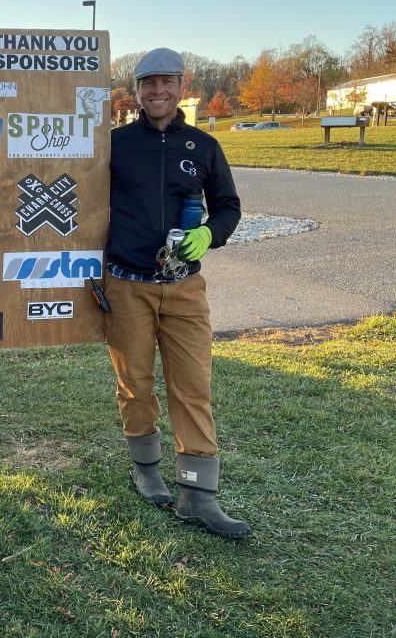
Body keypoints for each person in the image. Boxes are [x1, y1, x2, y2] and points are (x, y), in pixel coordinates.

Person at [104, 48, 251, 539]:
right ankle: (146, 469)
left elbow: (228, 206)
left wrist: (211, 233)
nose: (158, 91)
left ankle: (198, 495)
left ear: (182, 86)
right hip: (127, 286)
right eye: (149, 83)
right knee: (137, 385)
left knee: (192, 387)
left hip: (185, 288)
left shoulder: (204, 146)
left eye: (167, 82)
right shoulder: (115, 144)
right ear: (138, 89)